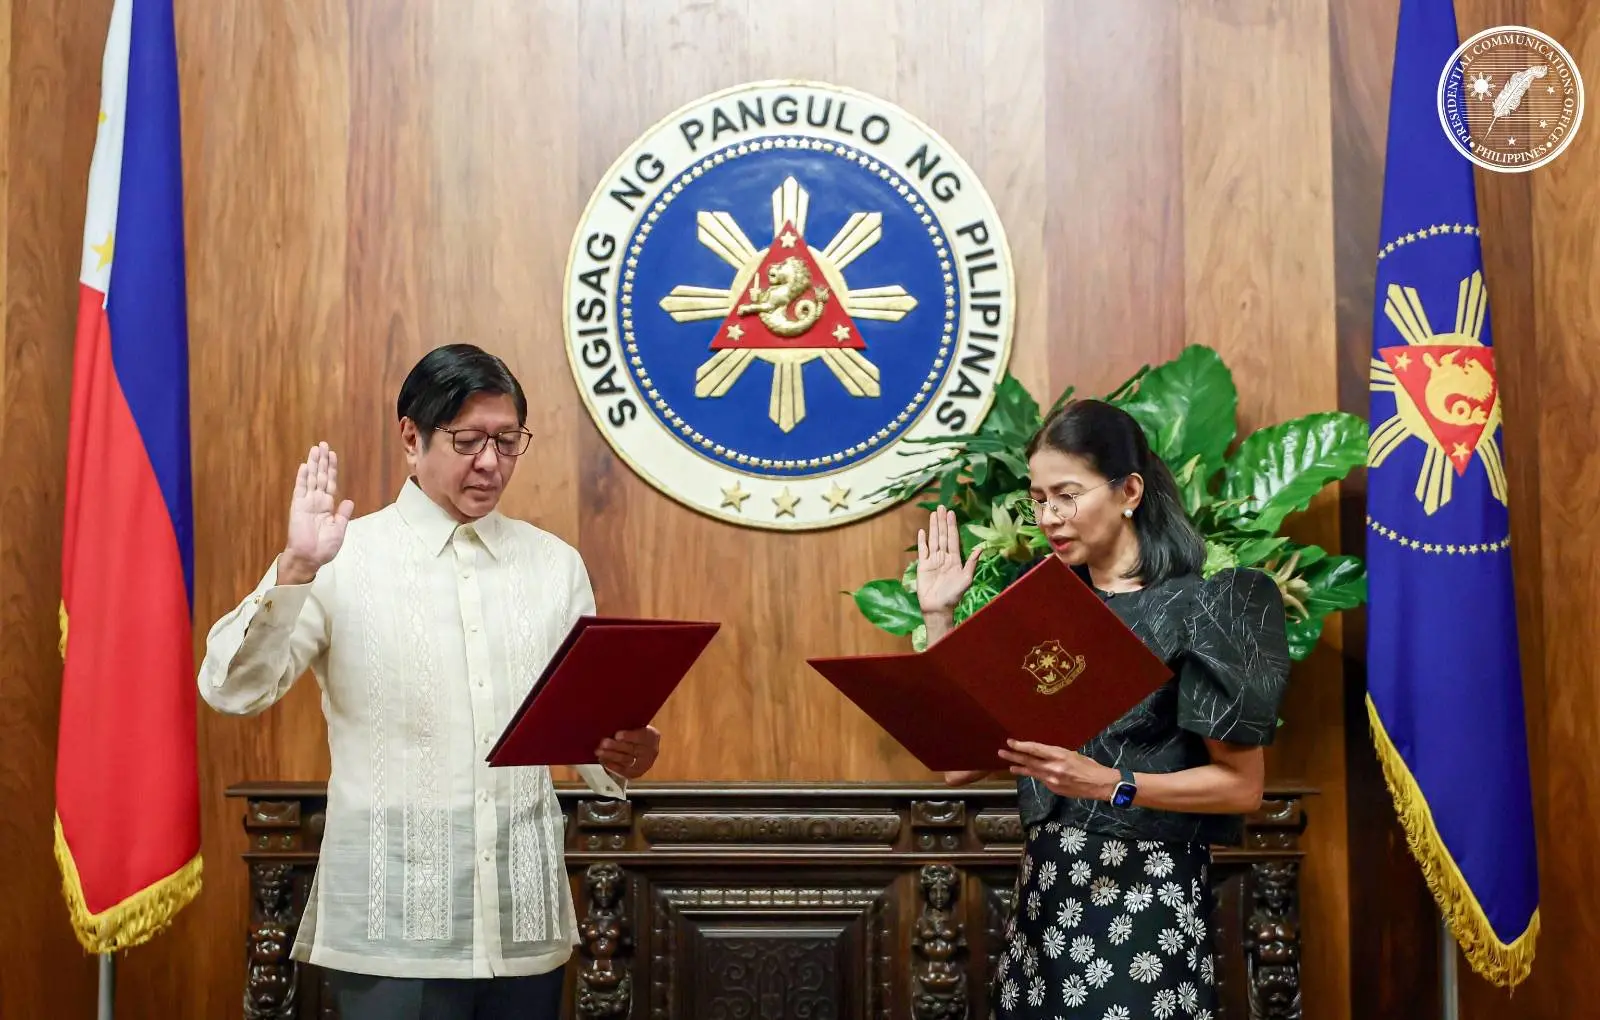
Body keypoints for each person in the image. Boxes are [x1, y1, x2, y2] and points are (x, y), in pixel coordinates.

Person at [198, 344, 662, 1019]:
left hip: (522, 923)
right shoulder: (342, 557)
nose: (491, 463)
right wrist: (295, 569)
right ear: (411, 437)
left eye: (508, 441)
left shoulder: (553, 566)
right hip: (394, 930)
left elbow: (587, 730)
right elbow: (232, 689)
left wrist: (624, 751)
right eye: (468, 440)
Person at [916, 398, 1290, 1020]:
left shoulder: (1204, 605)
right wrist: (939, 616)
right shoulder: (1042, 610)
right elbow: (956, 768)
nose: (1049, 517)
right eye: (1038, 499)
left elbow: (1242, 787)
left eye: (1067, 494)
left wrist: (1113, 785)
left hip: (1146, 903)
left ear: (1129, 491)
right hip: (1044, 905)